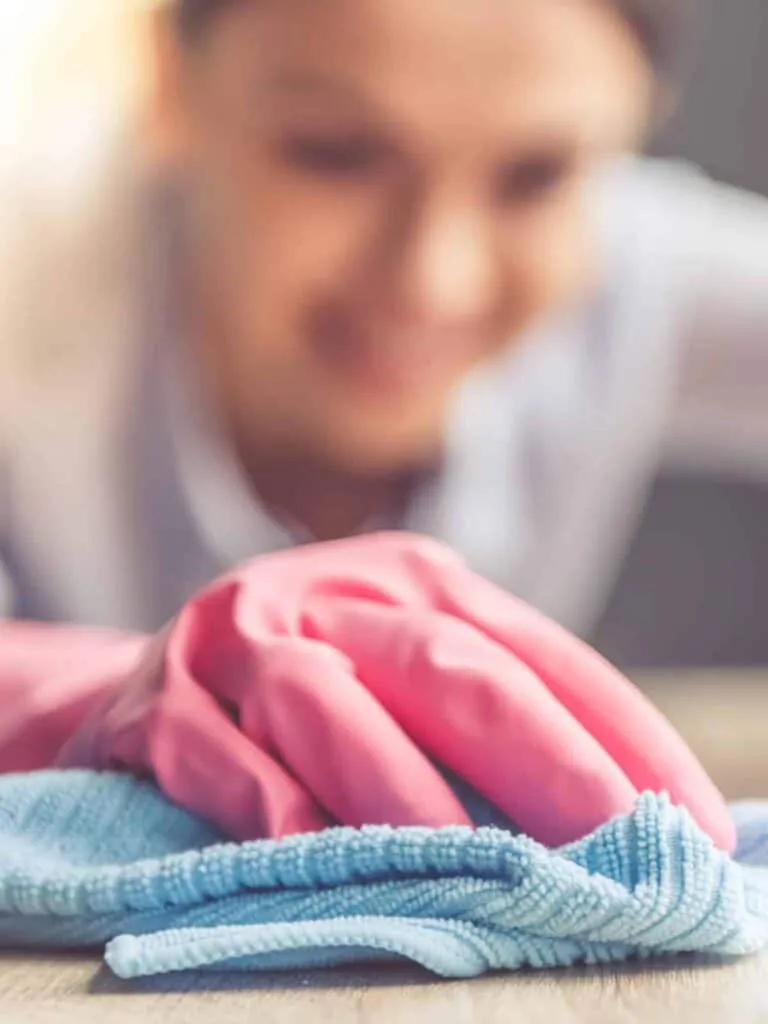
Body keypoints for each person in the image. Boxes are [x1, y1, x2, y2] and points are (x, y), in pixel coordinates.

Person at [0, 0, 764, 847]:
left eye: (537, 174)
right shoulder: (21, 271)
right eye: (336, 152)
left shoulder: (631, 271)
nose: (436, 279)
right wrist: (70, 697)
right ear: (170, 84)